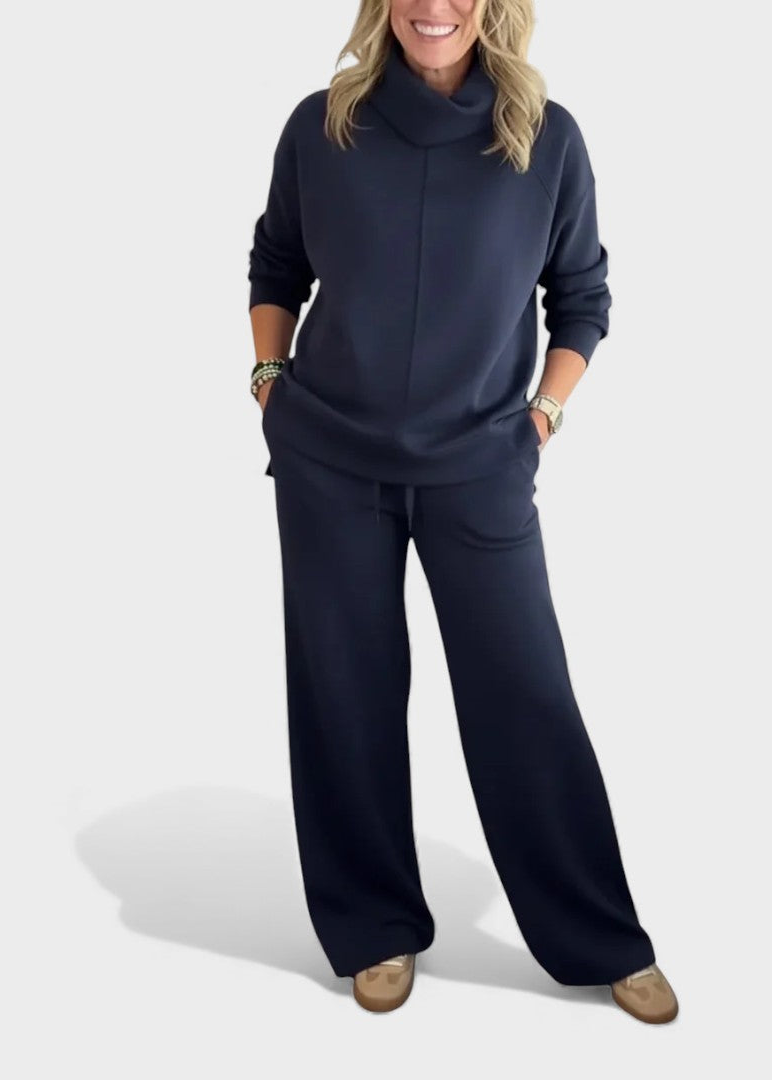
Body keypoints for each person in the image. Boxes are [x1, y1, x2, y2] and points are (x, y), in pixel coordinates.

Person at [247, 0, 679, 1024]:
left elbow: (582, 297)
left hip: (481, 463)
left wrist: (543, 415)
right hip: (329, 461)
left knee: (524, 695)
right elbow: (277, 263)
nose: (432, 7)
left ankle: (598, 936)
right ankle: (373, 927)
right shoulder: (322, 126)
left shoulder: (545, 139)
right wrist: (269, 380)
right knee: (343, 695)